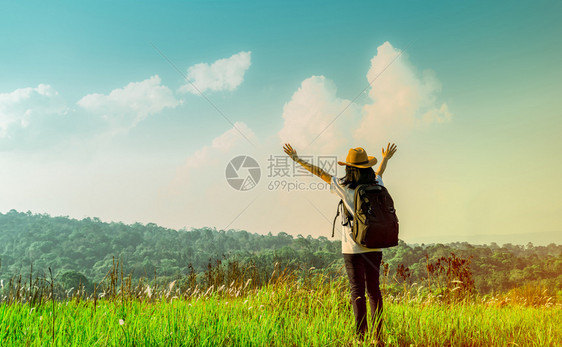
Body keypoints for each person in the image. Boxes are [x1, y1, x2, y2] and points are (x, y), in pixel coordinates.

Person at [283, 143, 397, 342]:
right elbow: (380, 171)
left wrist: (297, 159)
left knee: (357, 291)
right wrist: (386, 158)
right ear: (367, 167)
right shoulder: (377, 183)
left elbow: (320, 173)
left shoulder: (344, 186)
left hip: (352, 248)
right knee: (374, 291)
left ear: (349, 168)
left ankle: (360, 338)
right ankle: (377, 338)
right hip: (375, 245)